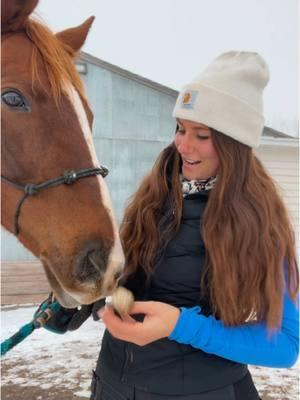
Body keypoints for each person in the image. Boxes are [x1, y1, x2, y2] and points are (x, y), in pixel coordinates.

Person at [88, 51, 299, 399]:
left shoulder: (263, 225)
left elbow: (285, 345)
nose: (183, 144)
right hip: (113, 385)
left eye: (202, 135)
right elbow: (125, 281)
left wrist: (181, 326)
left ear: (234, 145)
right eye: (181, 128)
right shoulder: (152, 197)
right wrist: (83, 298)